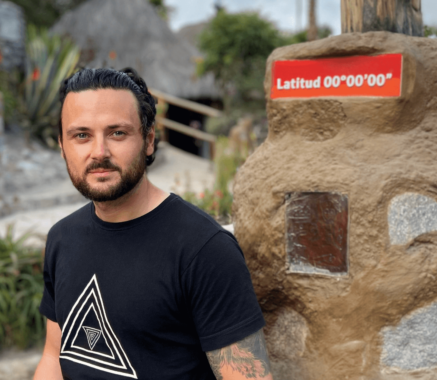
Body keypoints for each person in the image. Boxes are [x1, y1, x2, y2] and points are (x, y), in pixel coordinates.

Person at [34, 67, 273, 380]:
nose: (99, 152)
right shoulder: (61, 239)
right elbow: (53, 357)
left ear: (148, 140)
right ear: (63, 147)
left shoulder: (204, 250)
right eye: (81, 136)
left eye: (117, 133)